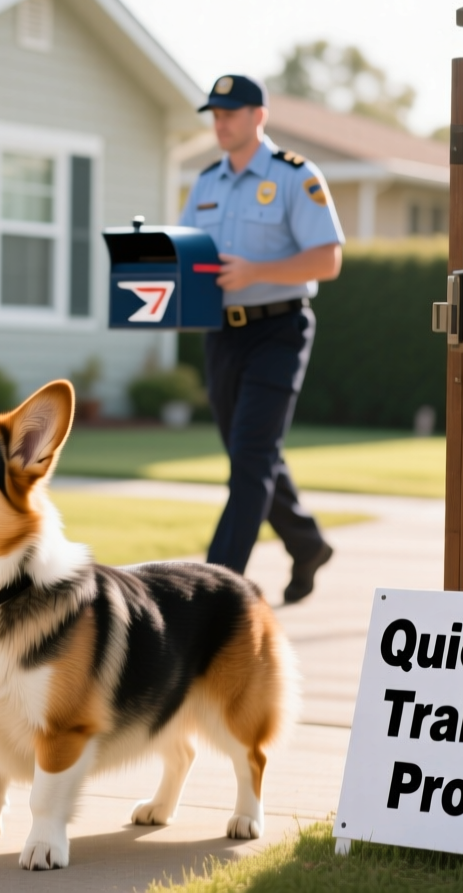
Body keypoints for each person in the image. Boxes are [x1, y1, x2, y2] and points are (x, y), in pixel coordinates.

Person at [177, 74, 343, 604]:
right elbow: (187, 255)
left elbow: (328, 259)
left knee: (249, 458)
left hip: (279, 329)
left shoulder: (296, 176)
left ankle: (213, 593)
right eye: (215, 115)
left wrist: (257, 272)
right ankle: (307, 542)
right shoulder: (205, 182)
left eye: (230, 113)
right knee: (253, 454)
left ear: (258, 117)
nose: (220, 123)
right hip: (222, 335)